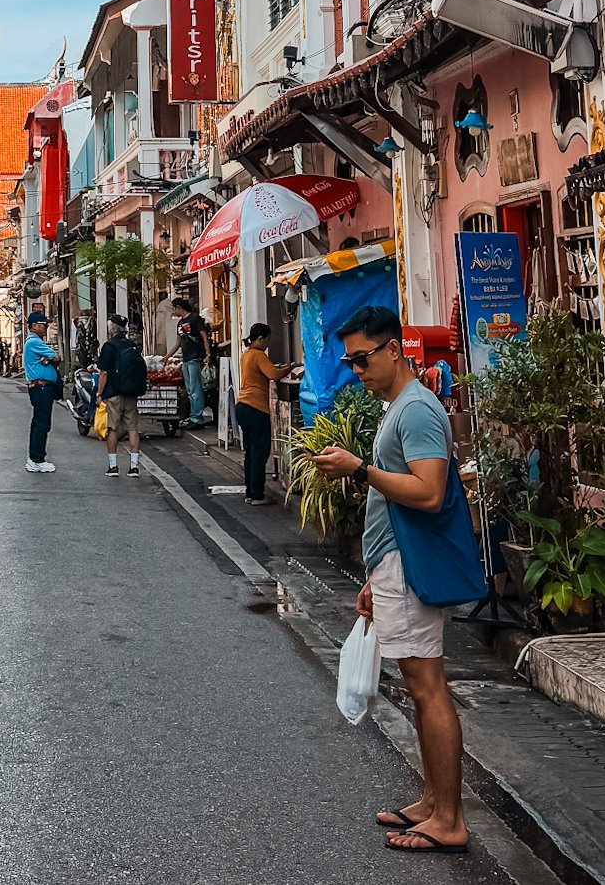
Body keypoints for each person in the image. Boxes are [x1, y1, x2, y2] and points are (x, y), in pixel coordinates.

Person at [311, 305, 470, 856]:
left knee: (428, 690)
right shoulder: (399, 406)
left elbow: (427, 491)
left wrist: (359, 468)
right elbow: (392, 494)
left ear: (393, 350)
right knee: (420, 688)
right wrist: (373, 574)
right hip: (394, 563)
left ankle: (449, 819)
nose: (356, 370)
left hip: (410, 563)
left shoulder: (418, 411)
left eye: (362, 359)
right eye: (350, 361)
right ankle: (432, 801)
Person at [235, 324, 283, 504]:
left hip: (242, 406)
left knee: (250, 452)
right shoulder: (258, 354)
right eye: (268, 340)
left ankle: (250, 492)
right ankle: (257, 495)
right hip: (256, 408)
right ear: (261, 339)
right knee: (260, 453)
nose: (268, 344)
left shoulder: (246, 354)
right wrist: (291, 368)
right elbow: (273, 374)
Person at [95, 315, 147, 478]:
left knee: (112, 428)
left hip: (114, 393)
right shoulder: (132, 346)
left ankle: (113, 466)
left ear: (111, 329)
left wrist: (99, 393)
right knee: (132, 428)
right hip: (131, 392)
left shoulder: (109, 346)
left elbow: (104, 372)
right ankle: (134, 467)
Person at [21, 313, 60, 473]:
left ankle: (35, 458)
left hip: (41, 388)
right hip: (41, 388)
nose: (45, 327)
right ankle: (37, 459)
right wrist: (49, 359)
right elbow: (56, 356)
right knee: (42, 424)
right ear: (34, 325)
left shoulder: (34, 342)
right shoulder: (34, 342)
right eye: (43, 324)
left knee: (39, 423)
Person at [171, 298, 211, 428]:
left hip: (195, 358)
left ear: (178, 307)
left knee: (195, 388)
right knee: (189, 389)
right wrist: (167, 357)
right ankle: (193, 415)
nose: (174, 311)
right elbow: (178, 343)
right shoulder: (180, 324)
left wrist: (208, 354)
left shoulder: (195, 319)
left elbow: (204, 336)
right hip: (186, 359)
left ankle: (197, 418)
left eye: (174, 309)